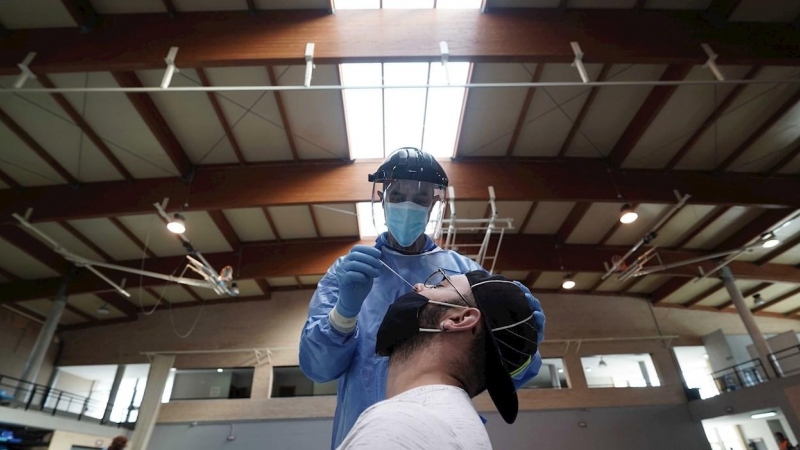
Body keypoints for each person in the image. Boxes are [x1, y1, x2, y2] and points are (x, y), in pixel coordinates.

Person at [299, 148, 546, 448]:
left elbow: (495, 371)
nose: (407, 205)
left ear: (436, 202)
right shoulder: (350, 272)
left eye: (420, 199)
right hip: (366, 428)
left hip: (439, 426)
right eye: (398, 196)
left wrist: (520, 344)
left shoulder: (465, 273)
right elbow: (318, 368)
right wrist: (343, 314)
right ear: (381, 198)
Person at [337, 270, 538, 450]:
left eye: (439, 285)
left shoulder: (402, 426)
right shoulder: (456, 424)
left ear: (459, 320)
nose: (418, 286)